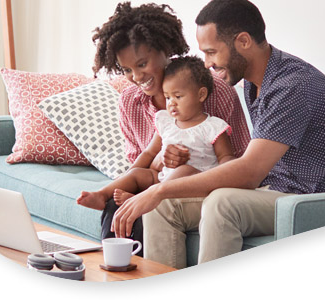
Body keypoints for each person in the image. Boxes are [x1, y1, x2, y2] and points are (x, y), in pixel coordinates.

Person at [112, 0, 325, 269]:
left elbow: (249, 172)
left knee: (221, 203)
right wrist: (159, 193)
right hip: (280, 190)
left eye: (212, 52)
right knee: (162, 207)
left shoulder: (293, 85)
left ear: (243, 41)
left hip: (320, 199)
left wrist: (160, 188)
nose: (207, 63)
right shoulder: (254, 83)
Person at [91, 2, 251, 244]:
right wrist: (160, 160)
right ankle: (114, 273)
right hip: (155, 182)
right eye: (127, 70)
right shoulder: (129, 101)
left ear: (165, 50)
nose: (137, 78)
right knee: (116, 204)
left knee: (146, 210)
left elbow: (239, 163)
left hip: (202, 189)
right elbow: (139, 165)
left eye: (142, 64)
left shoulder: (215, 90)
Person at [77, 56, 236, 212]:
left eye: (178, 96)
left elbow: (226, 158)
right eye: (167, 97)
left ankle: (139, 199)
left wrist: (222, 180)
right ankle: (102, 194)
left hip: (196, 183)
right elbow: (149, 152)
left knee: (185, 170)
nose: (171, 103)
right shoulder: (166, 121)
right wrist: (130, 174)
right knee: (137, 173)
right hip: (162, 178)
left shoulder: (213, 127)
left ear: (201, 95)